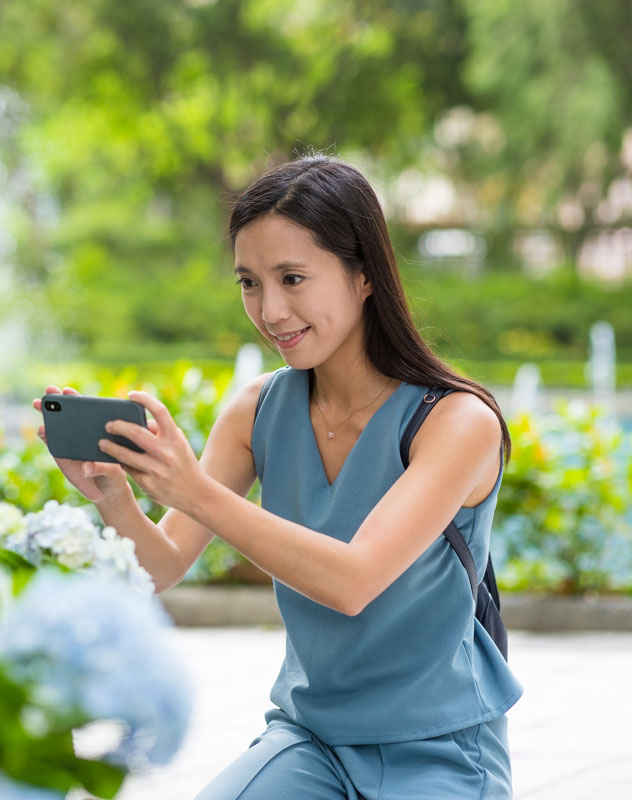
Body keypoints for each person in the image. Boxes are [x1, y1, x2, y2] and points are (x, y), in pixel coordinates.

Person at [32, 155, 522, 798]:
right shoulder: (259, 410)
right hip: (310, 742)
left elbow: (353, 582)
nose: (270, 310)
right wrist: (115, 497)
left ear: (364, 274)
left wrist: (195, 491)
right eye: (249, 283)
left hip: (438, 751)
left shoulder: (457, 423)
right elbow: (163, 565)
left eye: (292, 278)